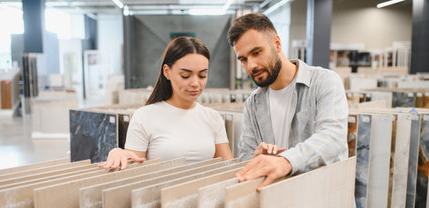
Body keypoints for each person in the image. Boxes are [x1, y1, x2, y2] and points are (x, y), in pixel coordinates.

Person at [227, 13, 348, 191]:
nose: (251, 65)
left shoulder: (324, 82)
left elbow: (333, 139)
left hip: (323, 200)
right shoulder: (253, 104)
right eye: (244, 59)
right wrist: (256, 158)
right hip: (279, 203)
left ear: (277, 43)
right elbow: (246, 158)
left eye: (256, 52)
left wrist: (285, 161)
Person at [99, 36, 233, 170]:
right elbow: (132, 169)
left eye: (202, 75)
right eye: (185, 75)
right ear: (167, 72)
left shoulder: (213, 118)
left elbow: (228, 168)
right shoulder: (144, 117)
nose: (195, 83)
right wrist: (117, 153)